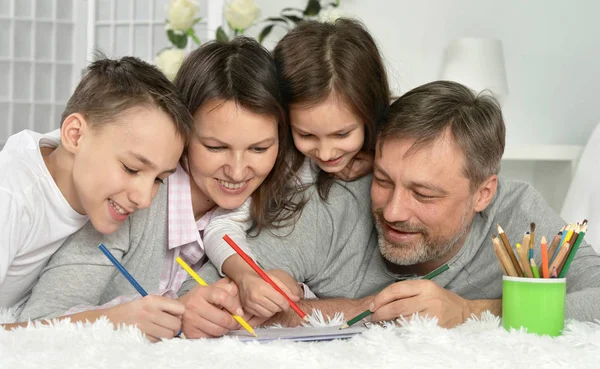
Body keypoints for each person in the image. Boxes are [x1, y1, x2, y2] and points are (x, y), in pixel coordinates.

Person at [189, 80, 600, 335]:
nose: (393, 211)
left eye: (424, 194)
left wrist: (471, 312)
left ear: (483, 194)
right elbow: (204, 296)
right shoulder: (338, 204)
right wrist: (368, 310)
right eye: (383, 181)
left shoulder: (517, 214)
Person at [14, 38, 302, 341]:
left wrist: (277, 290)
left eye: (259, 148)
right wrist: (170, 314)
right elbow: (39, 324)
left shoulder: (261, 202)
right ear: (180, 133)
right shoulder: (128, 200)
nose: (238, 170)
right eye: (216, 147)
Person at [207, 18, 392, 319]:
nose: (327, 152)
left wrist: (379, 158)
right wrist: (247, 275)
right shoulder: (289, 163)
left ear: (370, 115)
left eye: (342, 134)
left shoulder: (393, 142)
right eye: (306, 135)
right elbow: (221, 227)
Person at [0, 55, 193, 313]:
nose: (144, 199)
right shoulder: (11, 196)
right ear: (75, 136)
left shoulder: (79, 155)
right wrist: (111, 320)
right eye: (131, 168)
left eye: (159, 179)